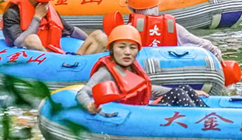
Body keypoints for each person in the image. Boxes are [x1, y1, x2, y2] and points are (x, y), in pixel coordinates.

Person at [76, 24, 208, 114]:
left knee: (185, 89)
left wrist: (193, 92)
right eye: (121, 47)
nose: (127, 52)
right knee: (179, 93)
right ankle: (199, 120)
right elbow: (83, 92)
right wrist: (89, 105)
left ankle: (209, 114)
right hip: (132, 113)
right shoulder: (105, 72)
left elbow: (149, 90)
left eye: (132, 48)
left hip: (142, 108)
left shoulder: (132, 69)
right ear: (111, 50)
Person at [2, 0, 107, 54]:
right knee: (32, 39)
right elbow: (18, 42)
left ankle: (80, 65)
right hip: (39, 58)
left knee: (99, 35)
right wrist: (37, 18)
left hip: (59, 57)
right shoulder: (12, 12)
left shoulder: (48, 10)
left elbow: (71, 31)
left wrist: (89, 40)